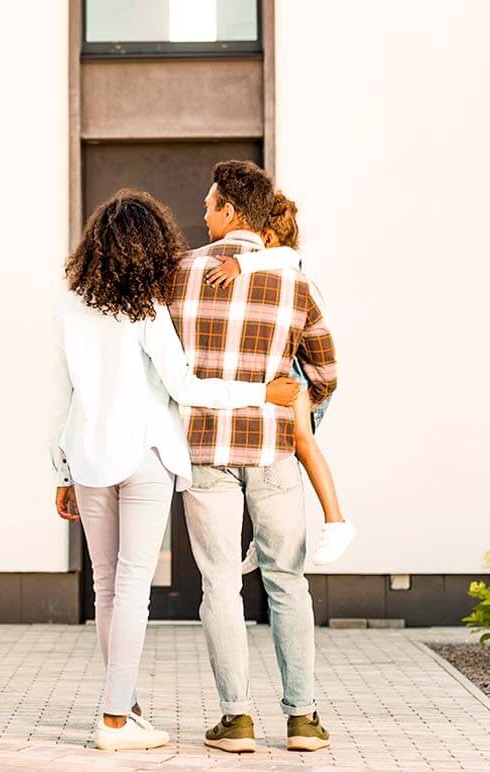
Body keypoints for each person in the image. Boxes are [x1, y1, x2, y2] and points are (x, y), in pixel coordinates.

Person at [49, 188, 300, 751]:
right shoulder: (147, 311)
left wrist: (62, 470)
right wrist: (260, 390)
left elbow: (56, 399)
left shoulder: (68, 307)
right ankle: (116, 719)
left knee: (106, 586)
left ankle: (124, 704)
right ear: (151, 246)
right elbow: (185, 387)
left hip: (87, 459)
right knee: (134, 587)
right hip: (144, 457)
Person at [168, 161, 339, 754]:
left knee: (219, 585)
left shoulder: (178, 276)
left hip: (204, 450)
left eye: (211, 204)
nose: (204, 214)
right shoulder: (296, 284)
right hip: (272, 451)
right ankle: (302, 720)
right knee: (288, 581)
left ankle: (236, 720)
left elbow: (161, 370)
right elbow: (326, 371)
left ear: (232, 213)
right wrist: (301, 416)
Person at [203, 192, 356, 570]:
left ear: (266, 237)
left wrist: (239, 264)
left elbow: (284, 257)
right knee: (283, 462)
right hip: (288, 375)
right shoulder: (277, 267)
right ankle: (264, 536)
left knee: (301, 444)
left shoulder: (286, 265)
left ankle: (337, 522)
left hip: (296, 376)